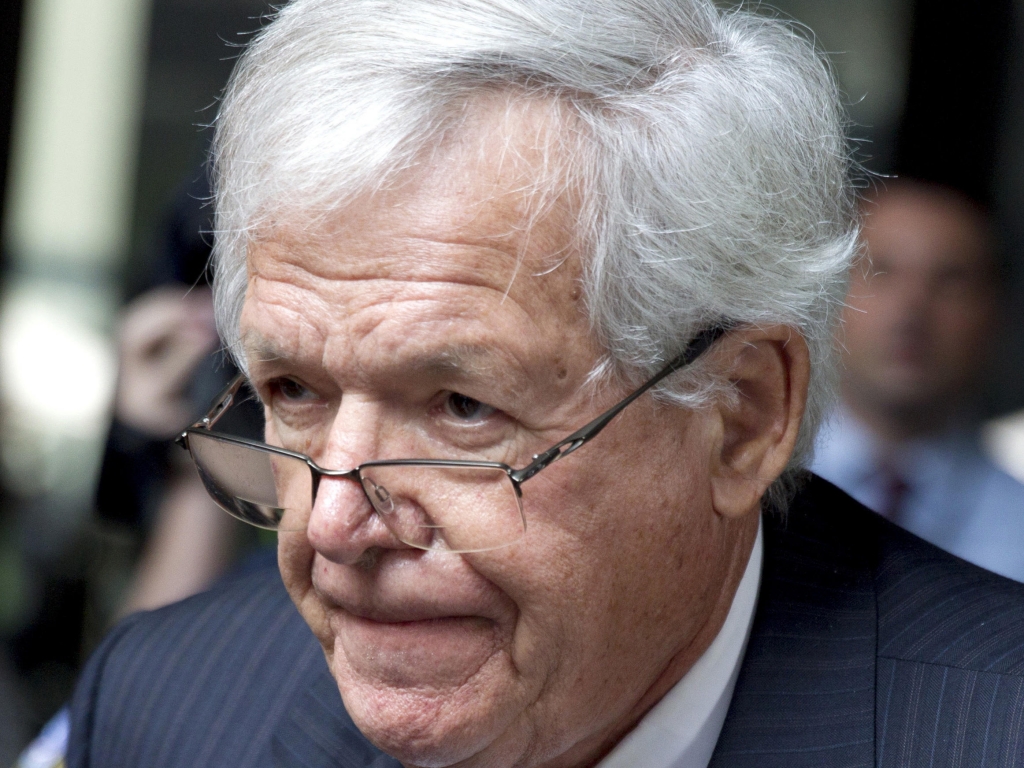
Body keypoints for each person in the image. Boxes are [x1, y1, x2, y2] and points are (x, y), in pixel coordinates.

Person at [66, 1, 1024, 766]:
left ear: (741, 417)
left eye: (463, 407)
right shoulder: (166, 705)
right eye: (295, 392)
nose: (329, 524)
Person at [813, 179, 1024, 582]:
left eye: (950, 280)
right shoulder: (750, 490)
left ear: (996, 313)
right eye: (882, 271)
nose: (912, 309)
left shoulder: (1017, 536)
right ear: (827, 292)